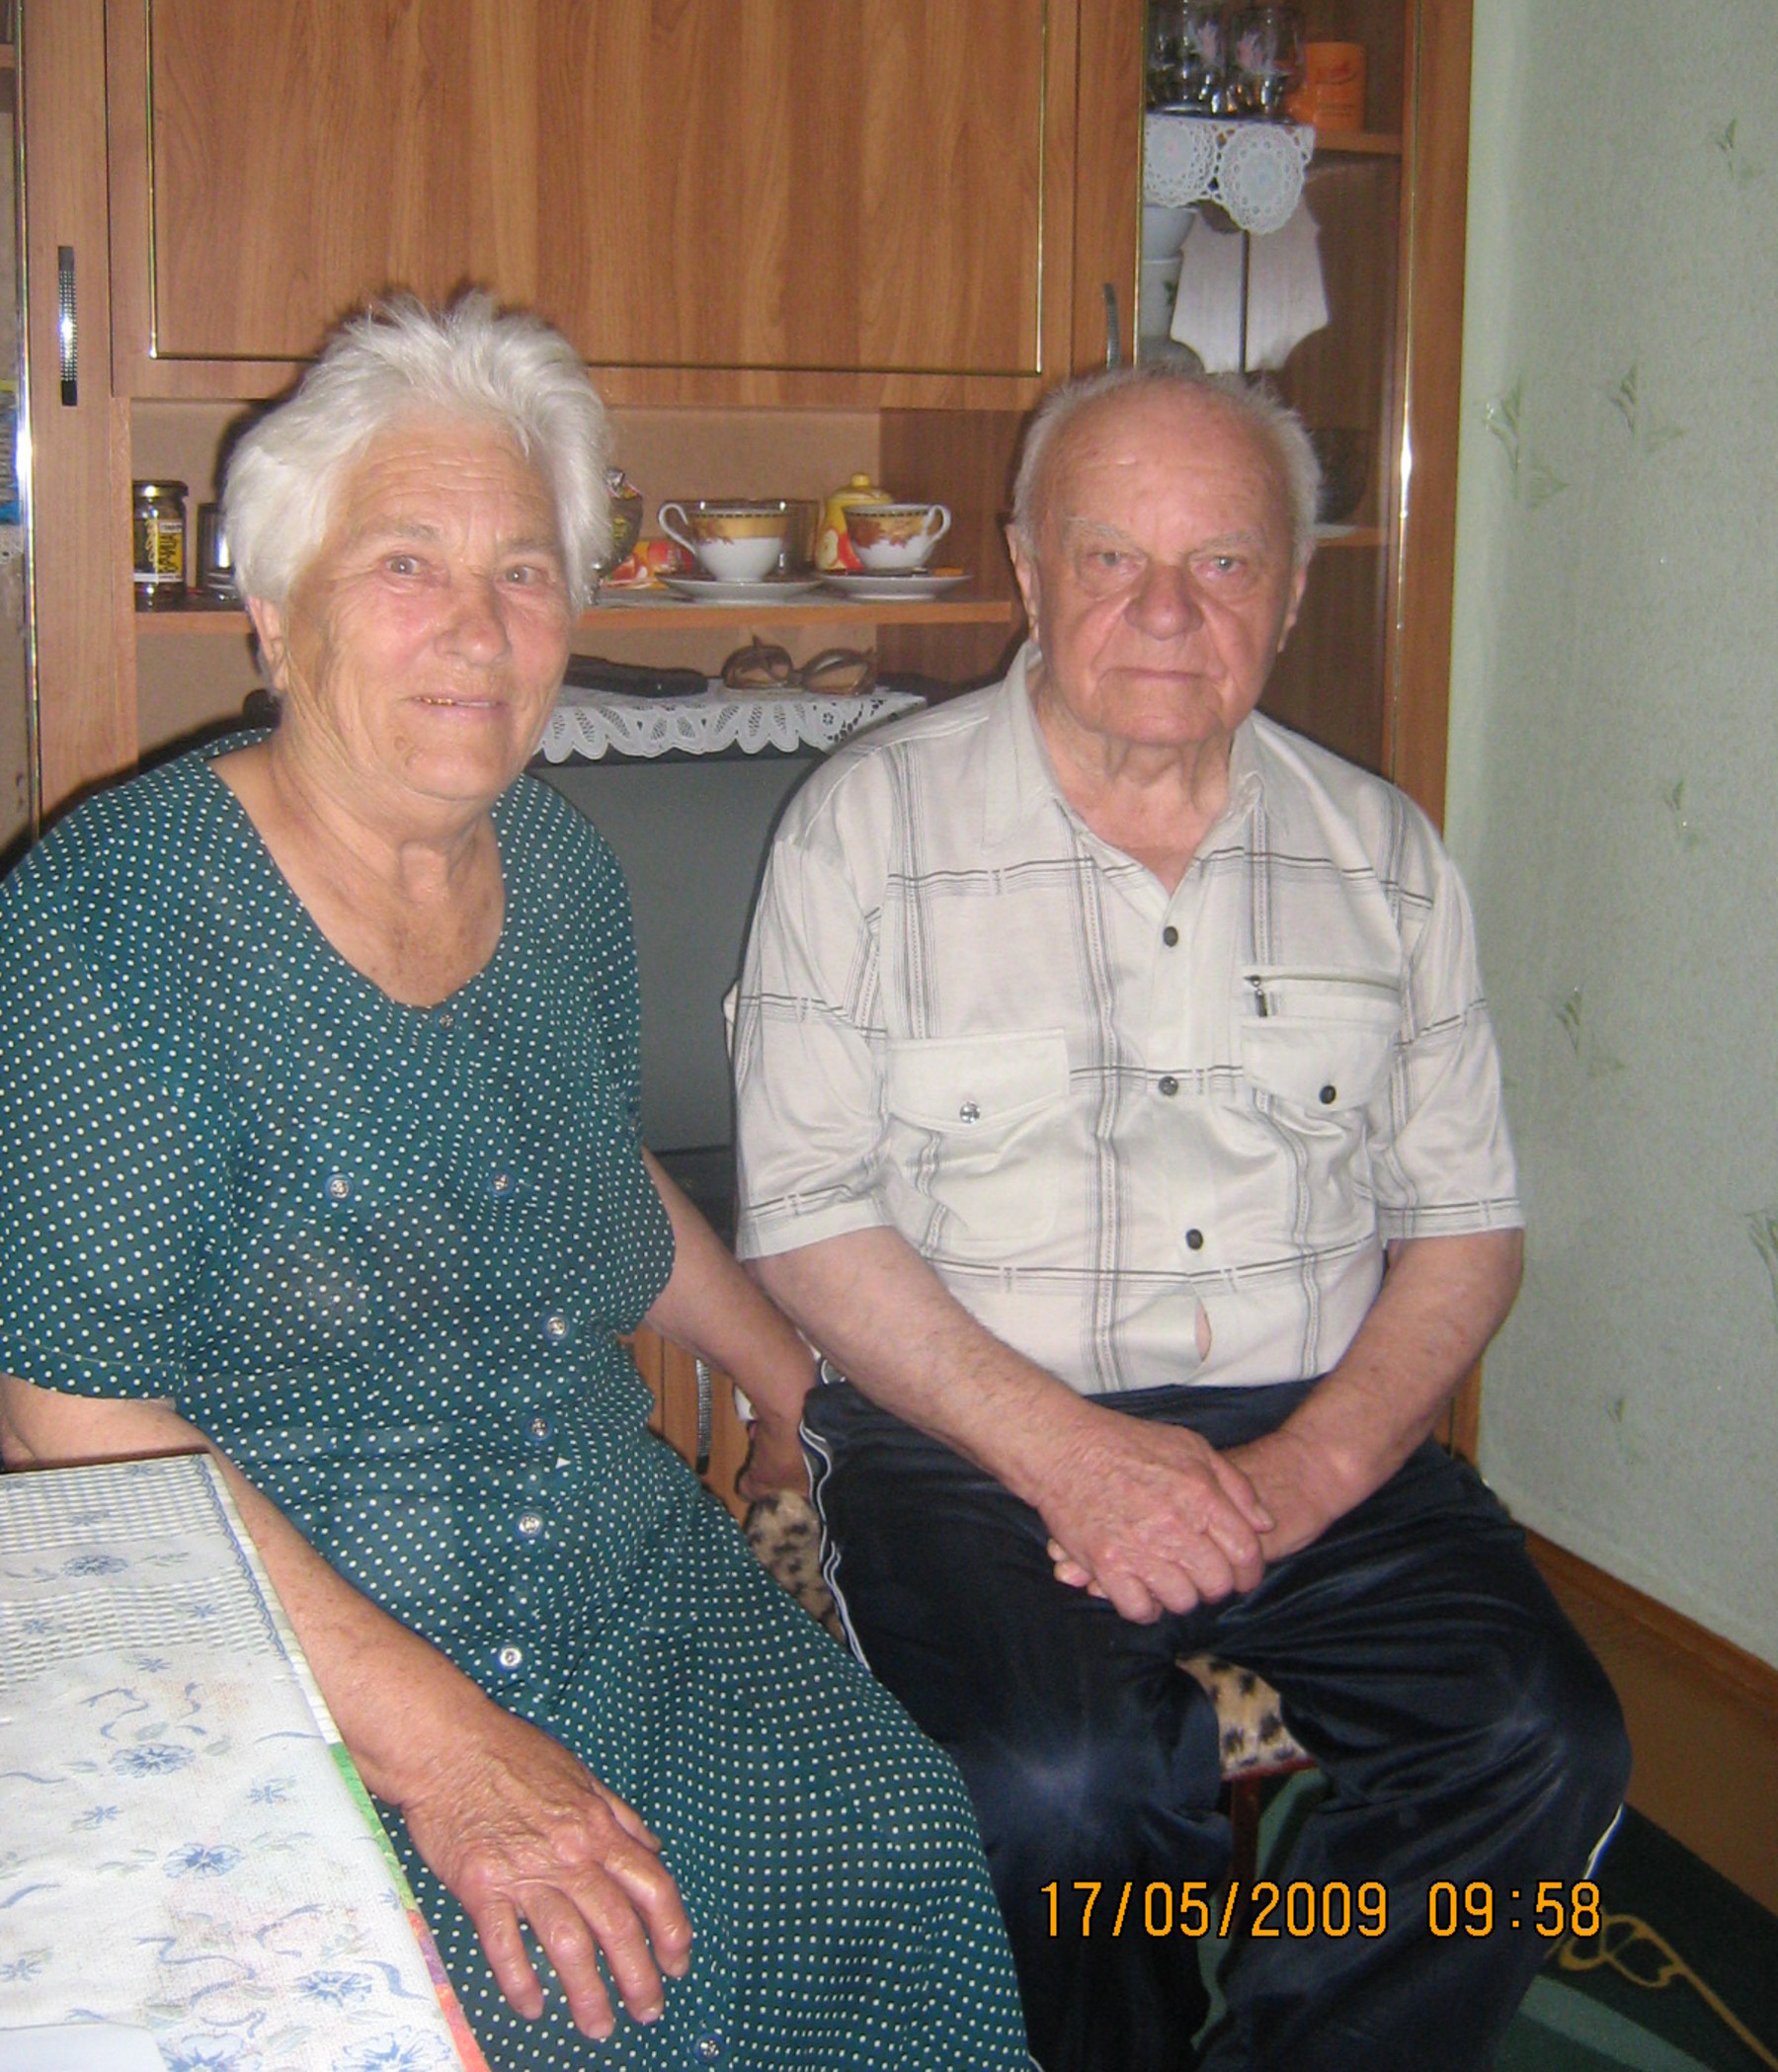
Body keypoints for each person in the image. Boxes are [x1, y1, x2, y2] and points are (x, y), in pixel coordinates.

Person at [0, 293, 1032, 2072]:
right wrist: (450, 1756)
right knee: (527, 2005)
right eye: (406, 562)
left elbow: (588, 1183)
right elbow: (67, 1409)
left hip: (613, 1574)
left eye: (525, 572)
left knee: (893, 1841)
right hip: (292, 1622)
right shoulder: (115, 918)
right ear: (276, 606)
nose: (476, 630)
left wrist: (793, 1378)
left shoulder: (557, 872)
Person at [732, 363, 1631, 2072]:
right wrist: (1075, 1458)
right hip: (972, 1432)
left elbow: (1466, 1228)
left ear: (1288, 594)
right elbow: (807, 1218)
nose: (1165, 611)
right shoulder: (865, 831)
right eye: (1110, 558)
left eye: (1222, 563)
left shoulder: (1385, 854)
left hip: (1313, 1426)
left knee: (1541, 1739)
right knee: (1064, 1786)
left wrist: (1304, 1475)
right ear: (1027, 568)